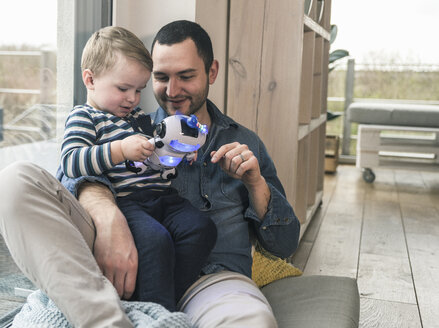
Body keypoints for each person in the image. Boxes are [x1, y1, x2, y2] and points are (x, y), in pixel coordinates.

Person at [0, 20, 300, 328]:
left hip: (211, 281)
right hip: (118, 263)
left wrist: (255, 184)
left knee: (252, 322)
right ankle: (114, 317)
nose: (172, 91)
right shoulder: (133, 124)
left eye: (186, 76)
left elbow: (285, 245)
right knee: (14, 181)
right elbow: (72, 169)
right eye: (160, 77)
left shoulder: (245, 143)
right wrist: (105, 212)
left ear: (212, 72)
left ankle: (146, 313)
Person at [60, 26, 217, 311]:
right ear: (90, 79)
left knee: (201, 227)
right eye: (123, 89)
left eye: (139, 90)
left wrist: (178, 151)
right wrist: (120, 150)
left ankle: (165, 298)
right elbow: (71, 162)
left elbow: (157, 153)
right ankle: (155, 313)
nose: (133, 99)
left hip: (164, 198)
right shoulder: (85, 117)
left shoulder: (138, 117)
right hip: (128, 203)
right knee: (155, 243)